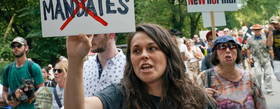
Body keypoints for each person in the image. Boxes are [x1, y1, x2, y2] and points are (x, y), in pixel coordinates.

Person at [65, 23, 212, 109]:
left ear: (168, 54)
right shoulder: (120, 94)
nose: (144, 55)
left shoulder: (197, 98)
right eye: (136, 51)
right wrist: (75, 60)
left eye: (152, 48)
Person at [198, 35, 267, 109]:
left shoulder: (250, 77)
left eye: (232, 46)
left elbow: (262, 105)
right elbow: (193, 104)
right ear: (216, 54)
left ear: (237, 52)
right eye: (222, 47)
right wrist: (201, 97)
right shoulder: (205, 77)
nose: (228, 50)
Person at [2, 37, 44, 109]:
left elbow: (42, 89)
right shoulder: (7, 69)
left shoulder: (34, 67)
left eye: (19, 45)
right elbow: (4, 90)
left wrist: (29, 96)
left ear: (26, 48)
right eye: (13, 46)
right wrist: (9, 101)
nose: (16, 48)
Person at [247, 24, 273, 94]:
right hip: (256, 58)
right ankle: (259, 87)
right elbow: (248, 49)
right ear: (253, 31)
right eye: (255, 30)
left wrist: (271, 54)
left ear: (260, 30)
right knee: (258, 74)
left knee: (268, 74)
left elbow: (269, 46)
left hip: (265, 57)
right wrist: (249, 58)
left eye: (258, 30)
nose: (257, 31)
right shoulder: (249, 39)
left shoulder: (265, 37)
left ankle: (269, 89)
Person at [267, 16, 280, 81]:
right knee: (277, 73)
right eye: (273, 24)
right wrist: (270, 32)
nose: (275, 25)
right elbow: (269, 44)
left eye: (276, 23)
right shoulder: (272, 32)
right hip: (277, 57)